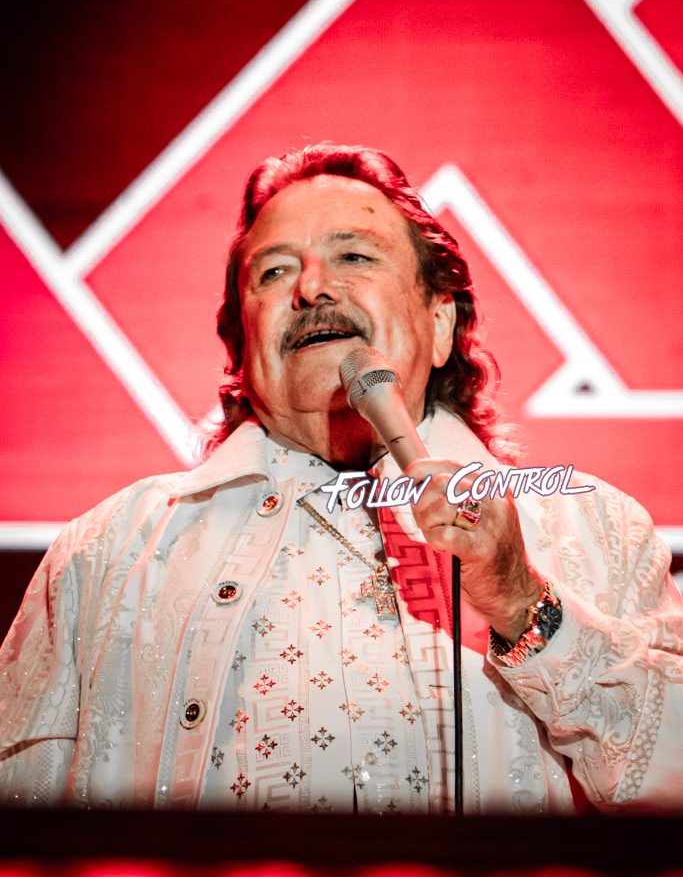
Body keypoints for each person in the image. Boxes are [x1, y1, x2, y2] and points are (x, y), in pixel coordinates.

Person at [1, 143, 681, 813]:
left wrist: (520, 602)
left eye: (354, 257)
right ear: (242, 347)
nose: (311, 288)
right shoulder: (111, 553)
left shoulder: (594, 529)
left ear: (440, 321)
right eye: (273, 272)